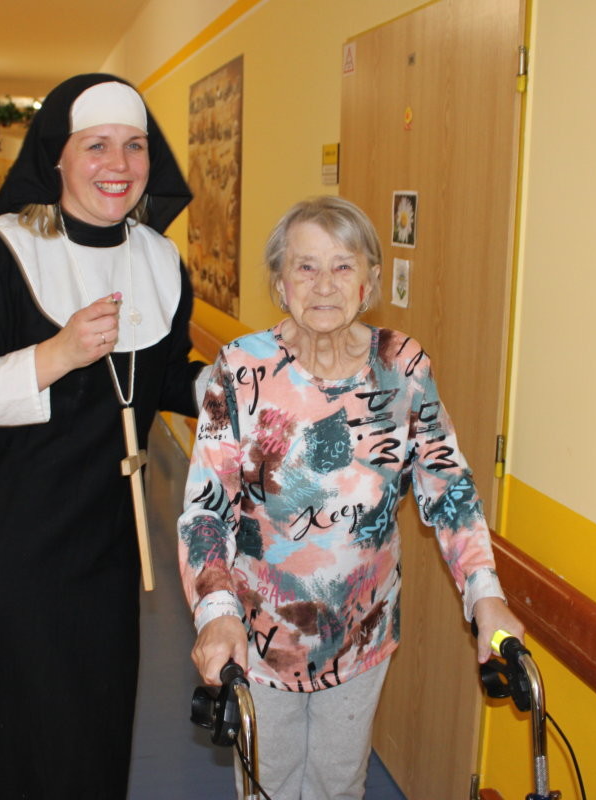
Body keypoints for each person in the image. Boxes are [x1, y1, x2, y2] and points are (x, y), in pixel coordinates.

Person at [179, 196, 525, 800]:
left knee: (339, 785)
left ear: (369, 282)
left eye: (343, 265)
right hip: (258, 635)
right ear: (280, 283)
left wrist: (485, 593)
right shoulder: (241, 369)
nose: (324, 284)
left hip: (361, 632)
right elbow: (208, 508)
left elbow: (448, 485)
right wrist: (216, 613)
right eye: (305, 266)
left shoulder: (402, 366)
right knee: (266, 786)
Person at [0, 73, 205, 798]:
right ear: (56, 156)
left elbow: (160, 378)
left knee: (91, 732)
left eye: (135, 145)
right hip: (2, 549)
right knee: (3, 742)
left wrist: (245, 385)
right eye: (96, 145)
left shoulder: (159, 260)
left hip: (102, 547)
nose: (119, 164)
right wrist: (56, 354)